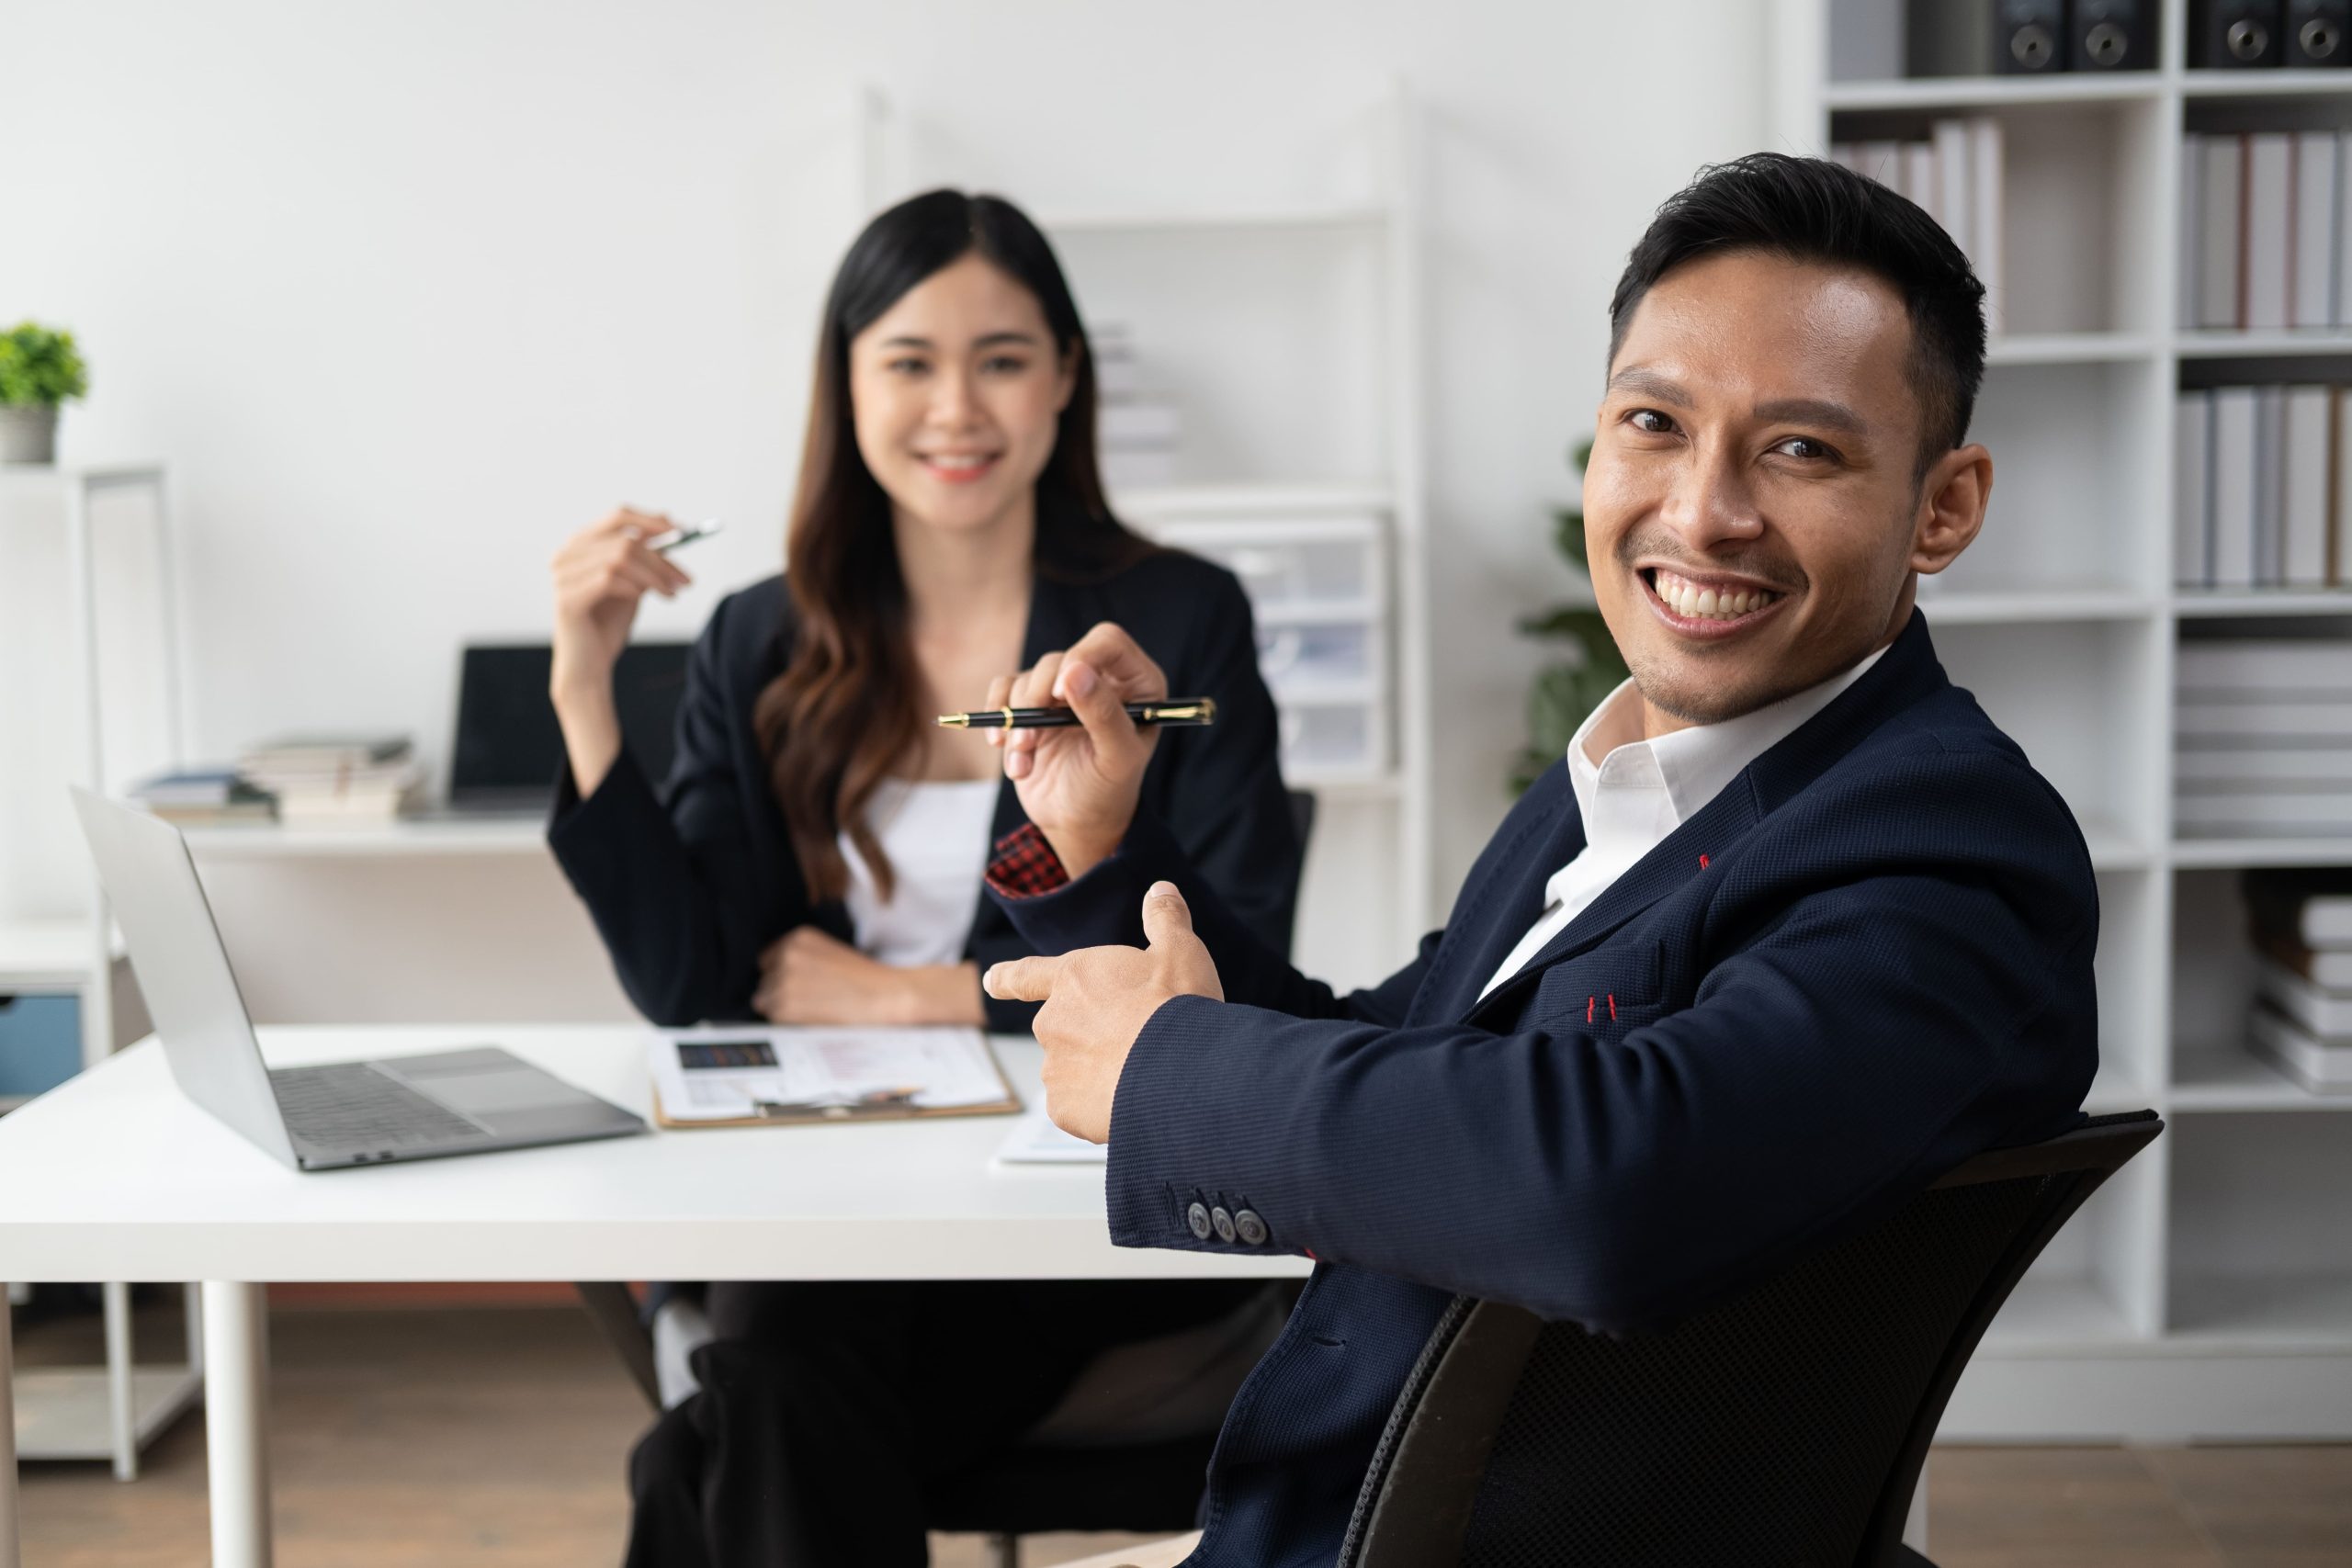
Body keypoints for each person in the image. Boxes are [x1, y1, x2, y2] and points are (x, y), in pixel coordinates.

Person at [973, 152, 2100, 1568]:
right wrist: (1109, 849)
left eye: (1801, 449)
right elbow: (1398, 1045)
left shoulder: (1948, 851)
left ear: (1943, 506)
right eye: (1655, 425)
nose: (1702, 514)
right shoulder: (1633, 778)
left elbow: (1620, 1184)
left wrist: (1172, 1073)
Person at [543, 188, 1299, 1566]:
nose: (958, 407)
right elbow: (694, 985)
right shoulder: (759, 639)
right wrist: (587, 688)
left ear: (1066, 379)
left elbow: (1230, 959)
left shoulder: (1179, 620)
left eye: (1003, 358)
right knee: (771, 1388)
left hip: (1067, 1207)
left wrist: (908, 996)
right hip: (824, 1198)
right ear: (846, 384)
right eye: (909, 362)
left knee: (733, 1416)